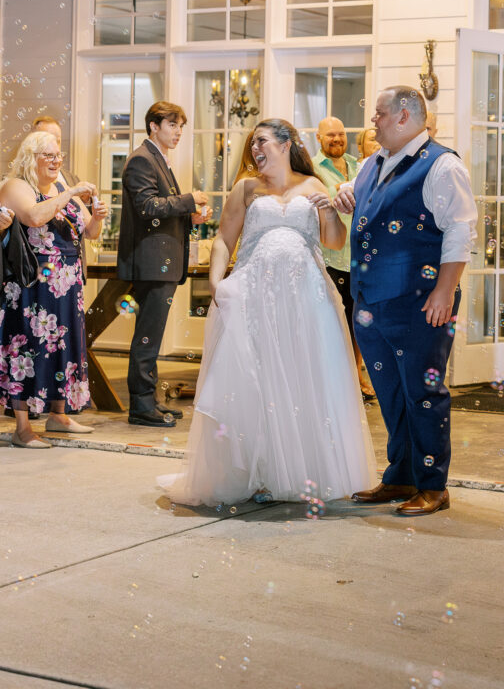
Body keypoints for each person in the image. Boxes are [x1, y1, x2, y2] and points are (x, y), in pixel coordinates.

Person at [159, 118, 376, 507]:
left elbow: (333, 241)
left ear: (286, 143)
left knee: (302, 376)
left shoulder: (313, 185)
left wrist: (328, 211)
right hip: (255, 295)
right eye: (253, 143)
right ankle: (257, 472)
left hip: (306, 298)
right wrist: (216, 283)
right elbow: (224, 239)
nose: (255, 149)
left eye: (262, 141)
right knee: (255, 381)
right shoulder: (245, 187)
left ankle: (303, 472)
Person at [334, 86, 477, 516]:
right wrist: (344, 193)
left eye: (378, 113)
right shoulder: (371, 163)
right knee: (391, 392)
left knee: (424, 393)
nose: (371, 121)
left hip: (421, 302)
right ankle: (399, 476)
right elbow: (364, 199)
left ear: (403, 116)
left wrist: (445, 290)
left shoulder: (443, 165)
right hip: (371, 301)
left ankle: (433, 486)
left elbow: (460, 230)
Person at [0, 131, 107, 447]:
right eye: (49, 155)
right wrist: (71, 190)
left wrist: (98, 217)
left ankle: (58, 415)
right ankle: (22, 428)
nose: (57, 160)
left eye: (59, 155)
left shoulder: (62, 188)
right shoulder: (17, 186)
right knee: (28, 348)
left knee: (65, 347)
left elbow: (89, 232)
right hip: (33, 285)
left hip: (67, 285)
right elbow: (34, 217)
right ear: (31, 157)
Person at [117, 101, 210, 429]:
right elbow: (146, 207)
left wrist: (190, 215)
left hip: (162, 262)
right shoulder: (142, 159)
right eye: (173, 125)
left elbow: (160, 210)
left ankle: (150, 401)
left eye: (181, 126)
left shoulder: (157, 159)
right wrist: (189, 200)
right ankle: (141, 407)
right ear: (154, 126)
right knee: (147, 337)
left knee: (151, 336)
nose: (179, 132)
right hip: (151, 262)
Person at [313, 116, 375, 400]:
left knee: (360, 322)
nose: (336, 139)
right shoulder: (312, 170)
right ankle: (338, 384)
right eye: (330, 136)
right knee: (335, 324)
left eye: (340, 134)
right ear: (319, 138)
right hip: (332, 257)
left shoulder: (359, 164)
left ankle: (357, 374)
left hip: (364, 256)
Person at [32, 115, 88, 281]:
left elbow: (84, 224)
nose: (53, 143)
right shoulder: (22, 181)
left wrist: (89, 203)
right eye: (46, 138)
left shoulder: (70, 178)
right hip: (38, 269)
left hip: (71, 268)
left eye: (57, 139)